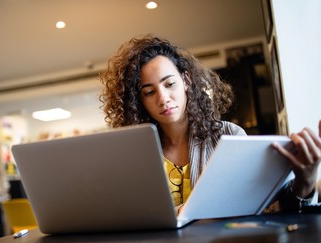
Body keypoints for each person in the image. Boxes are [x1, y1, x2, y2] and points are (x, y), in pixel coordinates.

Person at [99, 34, 321, 214]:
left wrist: (305, 182)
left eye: (170, 84)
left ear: (186, 81)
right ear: (139, 101)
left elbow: (268, 209)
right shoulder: (134, 153)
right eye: (149, 91)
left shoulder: (228, 137)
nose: (163, 98)